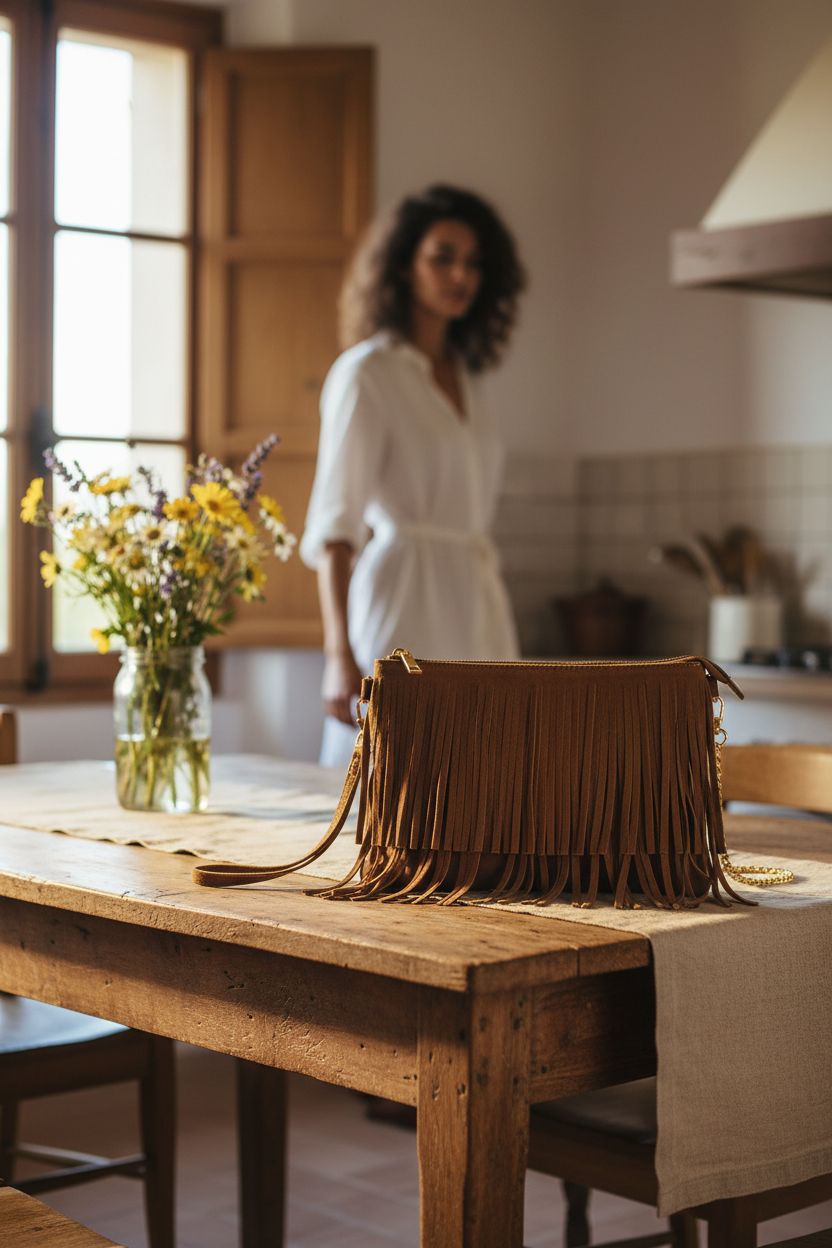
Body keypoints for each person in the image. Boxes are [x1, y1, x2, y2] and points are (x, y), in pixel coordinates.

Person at [300, 183, 526, 766]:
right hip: (402, 602)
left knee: (488, 778)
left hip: (476, 602)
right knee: (391, 778)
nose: (461, 276)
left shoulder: (471, 381)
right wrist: (337, 656)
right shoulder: (367, 374)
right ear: (403, 265)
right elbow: (335, 527)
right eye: (442, 256)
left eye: (474, 263)